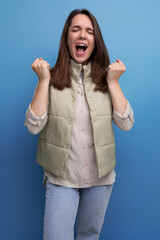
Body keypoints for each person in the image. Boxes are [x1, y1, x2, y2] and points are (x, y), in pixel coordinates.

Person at [24, 8, 134, 240]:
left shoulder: (107, 81)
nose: (82, 35)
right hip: (61, 178)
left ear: (95, 41)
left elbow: (126, 124)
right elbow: (33, 126)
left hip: (101, 179)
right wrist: (44, 80)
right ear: (67, 38)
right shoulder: (50, 79)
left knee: (89, 236)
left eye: (89, 31)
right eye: (76, 29)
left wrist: (114, 84)